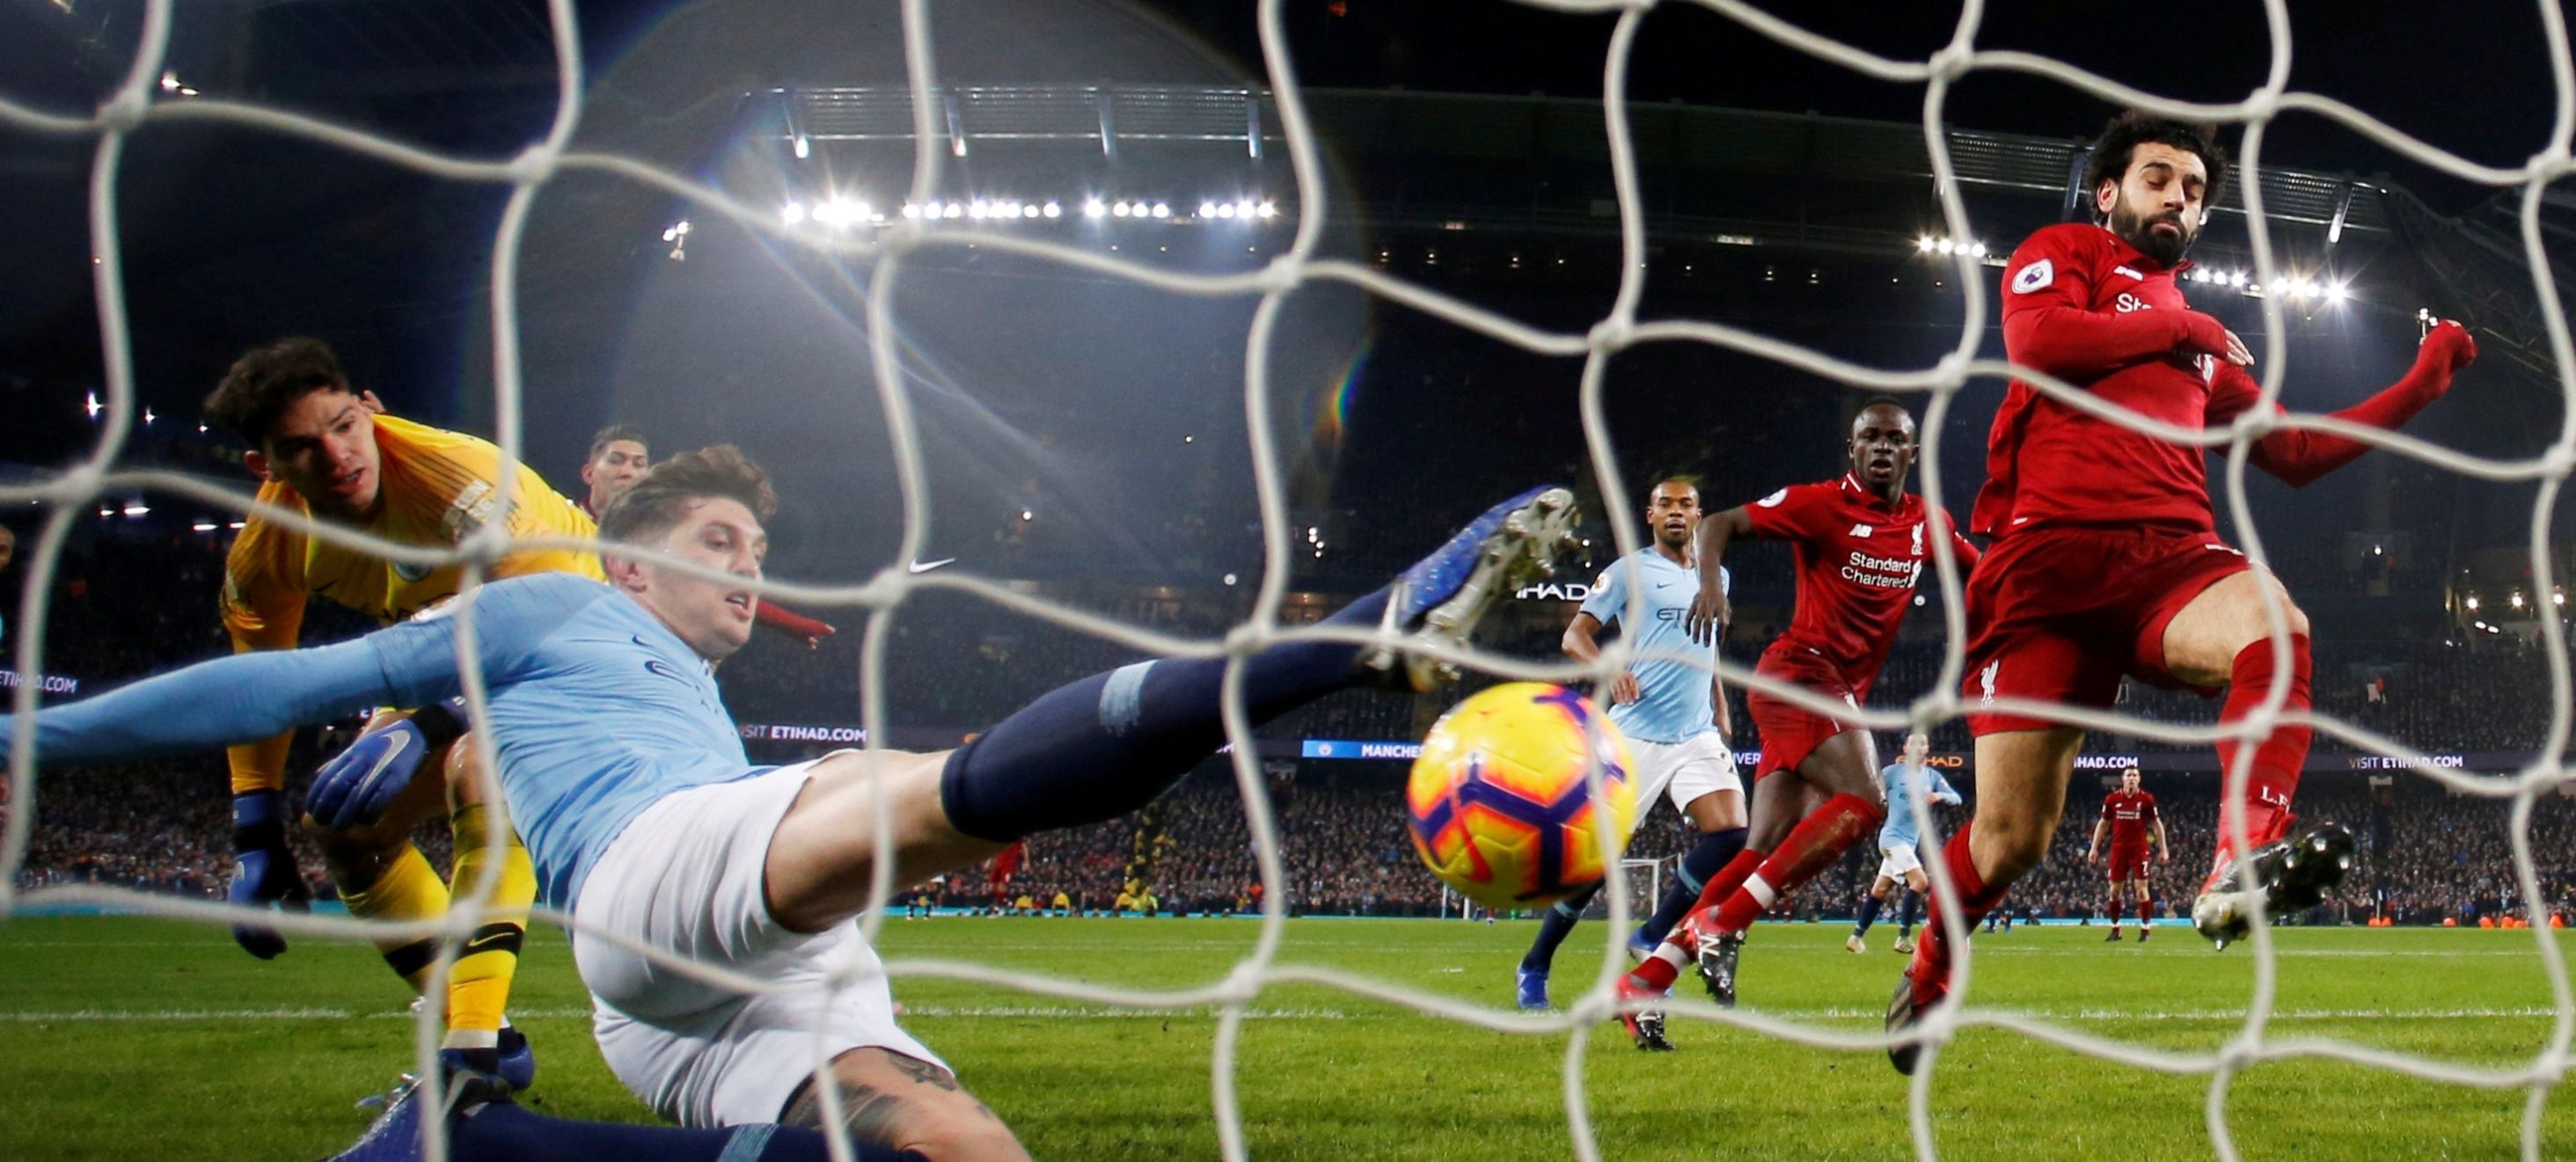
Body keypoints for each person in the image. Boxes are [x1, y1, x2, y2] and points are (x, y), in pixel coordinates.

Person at [23, 448, 1578, 1158]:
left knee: (949, 1149)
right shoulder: (554, 608)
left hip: (699, 998)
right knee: (882, 798)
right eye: (718, 536)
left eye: (757, 547)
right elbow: (269, 689)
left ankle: (477, 1147)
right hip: (654, 886)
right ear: (627, 560)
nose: (749, 566)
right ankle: (1346, 640)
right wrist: (50, 730)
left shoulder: (662, 678)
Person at [1886, 111, 2478, 1072]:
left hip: (2171, 558)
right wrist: (2182, 320)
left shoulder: (2205, 347)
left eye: (2196, 190)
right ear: (2110, 191)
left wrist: (2421, 382)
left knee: (2278, 628)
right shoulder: (2064, 251)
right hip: (2047, 569)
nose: (2180, 198)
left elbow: (2292, 452)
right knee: (2009, 842)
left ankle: (2239, 860)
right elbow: (2039, 347)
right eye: (2160, 178)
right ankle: (1930, 970)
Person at [204, 337, 607, 1084]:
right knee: (343, 829)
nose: (335, 456)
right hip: (446, 654)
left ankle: (473, 1049)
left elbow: (539, 622)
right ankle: (488, 1044)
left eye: (344, 427)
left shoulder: (465, 482)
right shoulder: (270, 549)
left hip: (585, 633)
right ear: (265, 469)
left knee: (477, 767)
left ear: (370, 409)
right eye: (300, 447)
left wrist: (425, 725)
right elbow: (260, 680)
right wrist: (254, 829)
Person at [1612, 400, 1978, 1050]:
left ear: (1913, 453)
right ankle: (1725, 923)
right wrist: (1711, 586)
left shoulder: (1928, 525)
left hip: (1834, 694)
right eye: (1871, 438)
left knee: (1760, 846)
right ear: (1853, 448)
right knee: (1864, 801)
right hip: (1798, 675)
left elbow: (1983, 581)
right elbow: (1720, 523)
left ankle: (1645, 981)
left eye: (1896, 439)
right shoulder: (1821, 505)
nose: (1883, 448)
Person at [1515, 478, 1746, 1012]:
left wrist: (1721, 700)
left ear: (1699, 515)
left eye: (1686, 504)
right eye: (1665, 504)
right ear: (1649, 514)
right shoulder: (1627, 572)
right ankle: (1536, 963)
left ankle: (1652, 932)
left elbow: (1708, 643)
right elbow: (1574, 636)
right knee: (1594, 865)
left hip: (1695, 734)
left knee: (1733, 831)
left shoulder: (1719, 576)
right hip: (1634, 735)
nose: (1675, 512)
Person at [581, 423, 834, 649]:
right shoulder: (558, 520)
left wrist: (792, 623)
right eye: (616, 460)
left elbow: (712, 584)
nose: (628, 471)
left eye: (639, 464)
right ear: (589, 474)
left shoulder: (662, 540)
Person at [1846, 734, 1961, 955]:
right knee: (1919, 881)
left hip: (1908, 842)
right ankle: (1904, 938)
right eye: (1914, 744)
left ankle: (1856, 937)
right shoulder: (1893, 773)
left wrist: (1939, 795)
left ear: (1927, 748)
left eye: (1923, 744)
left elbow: (1956, 798)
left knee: (1880, 890)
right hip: (1891, 838)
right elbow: (1869, 788)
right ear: (1905, 749)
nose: (1918, 748)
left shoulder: (1932, 776)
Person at [2086, 765, 2169, 942]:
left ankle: (2145, 930)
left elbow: (2156, 824)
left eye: (2135, 775)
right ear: (2122, 779)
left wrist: (2163, 848)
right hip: (2118, 849)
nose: (2131, 778)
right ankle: (2116, 930)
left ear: (2139, 779)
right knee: (2115, 891)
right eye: (2128, 775)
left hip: (2139, 849)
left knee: (2141, 890)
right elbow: (2103, 824)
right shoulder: (2112, 799)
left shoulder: (2146, 799)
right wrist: (2094, 848)